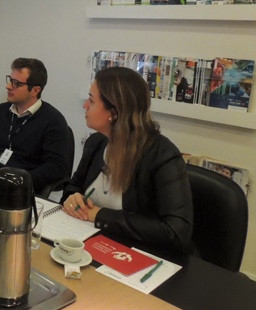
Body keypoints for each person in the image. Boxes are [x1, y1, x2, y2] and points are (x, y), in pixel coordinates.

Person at [60, 67, 193, 254]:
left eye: (91, 100)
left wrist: (100, 215)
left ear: (114, 112)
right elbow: (73, 187)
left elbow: (176, 232)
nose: (85, 106)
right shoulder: (96, 143)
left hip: (141, 256)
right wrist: (72, 198)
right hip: (92, 245)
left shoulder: (162, 155)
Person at [0, 57, 70, 194]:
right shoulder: (1, 111)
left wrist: (21, 182)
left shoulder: (53, 121)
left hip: (20, 189)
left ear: (35, 90)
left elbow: (56, 167)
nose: (8, 86)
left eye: (16, 83)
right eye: (10, 80)